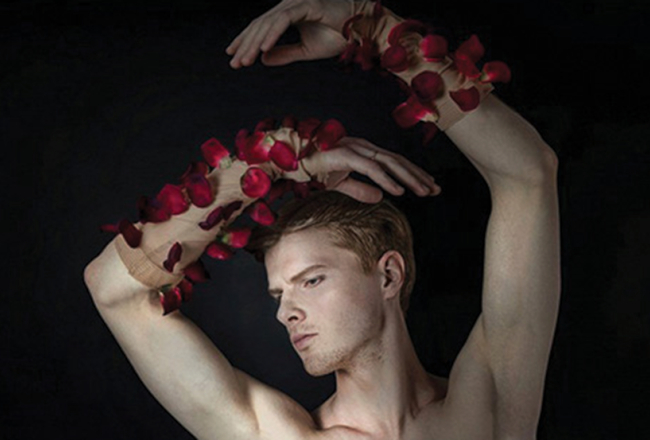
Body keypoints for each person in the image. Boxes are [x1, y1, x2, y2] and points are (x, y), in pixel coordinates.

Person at [84, 1, 561, 439]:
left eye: (311, 280)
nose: (285, 313)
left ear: (388, 275)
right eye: (279, 294)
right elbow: (113, 290)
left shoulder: (487, 409)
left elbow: (528, 176)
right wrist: (270, 160)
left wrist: (372, 25)